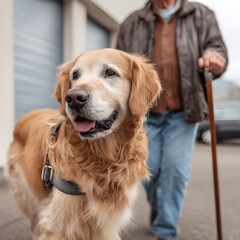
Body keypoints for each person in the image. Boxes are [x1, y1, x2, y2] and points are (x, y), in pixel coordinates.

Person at [116, 0, 228, 239]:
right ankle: (160, 209)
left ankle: (165, 230)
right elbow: (119, 67)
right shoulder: (133, 22)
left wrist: (214, 57)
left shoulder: (201, 14)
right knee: (146, 169)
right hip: (143, 112)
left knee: (175, 170)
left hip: (183, 110)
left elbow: (217, 48)